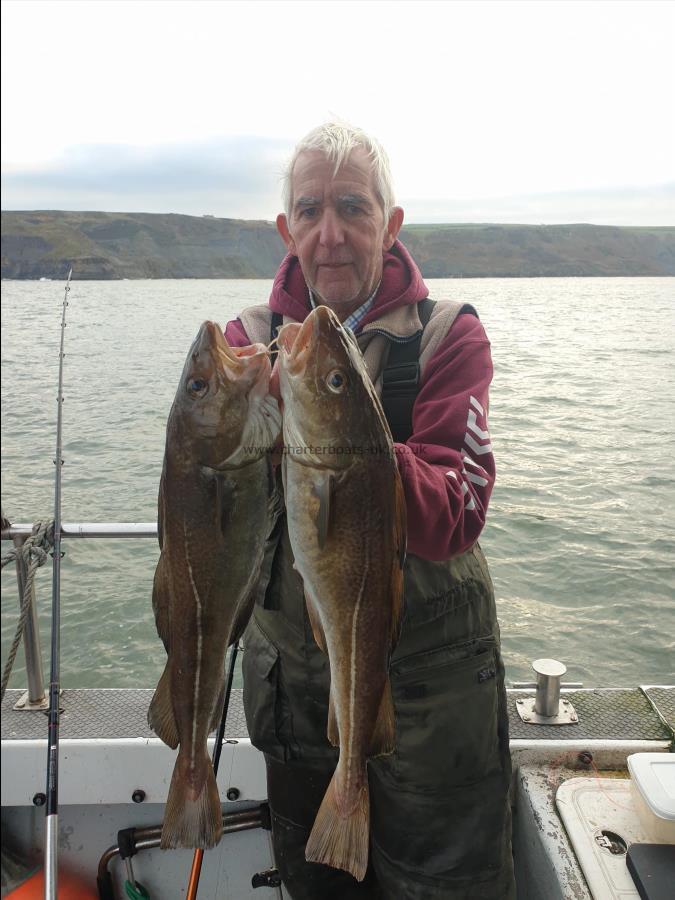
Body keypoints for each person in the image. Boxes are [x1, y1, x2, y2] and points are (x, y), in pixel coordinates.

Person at [225, 122, 515, 900]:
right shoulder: (246, 345)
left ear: (389, 224)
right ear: (286, 230)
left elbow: (458, 511)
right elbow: (215, 509)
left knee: (446, 882)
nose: (331, 235)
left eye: (353, 207)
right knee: (315, 882)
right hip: (293, 675)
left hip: (434, 691)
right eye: (311, 210)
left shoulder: (449, 335)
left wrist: (350, 444)